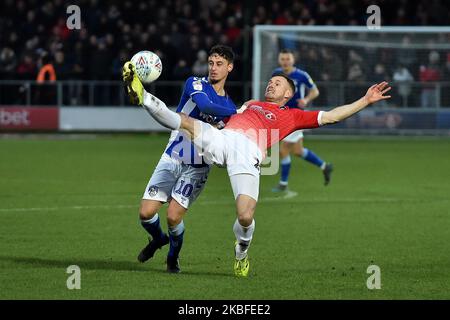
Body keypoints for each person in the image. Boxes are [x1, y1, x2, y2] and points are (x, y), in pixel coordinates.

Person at [122, 62, 391, 277]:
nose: (271, 84)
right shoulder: (251, 104)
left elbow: (332, 116)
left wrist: (364, 101)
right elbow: (221, 116)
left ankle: (241, 252)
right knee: (183, 121)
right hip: (223, 139)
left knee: (245, 216)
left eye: (278, 83)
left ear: (288, 94)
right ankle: (143, 95)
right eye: (270, 81)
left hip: (248, 155)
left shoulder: (293, 116)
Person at [136, 45, 237, 273]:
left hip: (198, 166)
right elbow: (204, 106)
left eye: (219, 64)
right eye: (211, 63)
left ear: (229, 67)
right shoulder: (196, 83)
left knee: (173, 217)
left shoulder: (229, 105)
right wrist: (238, 112)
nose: (213, 68)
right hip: (173, 155)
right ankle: (158, 239)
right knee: (145, 213)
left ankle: (173, 256)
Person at [271, 49, 333, 192]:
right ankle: (325, 166)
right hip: (282, 115)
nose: (285, 62)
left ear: (293, 60)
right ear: (279, 60)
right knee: (298, 151)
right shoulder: (276, 74)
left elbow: (315, 91)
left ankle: (283, 183)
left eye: (288, 59)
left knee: (283, 150)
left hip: (295, 116)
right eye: (283, 59)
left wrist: (305, 100)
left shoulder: (301, 75)